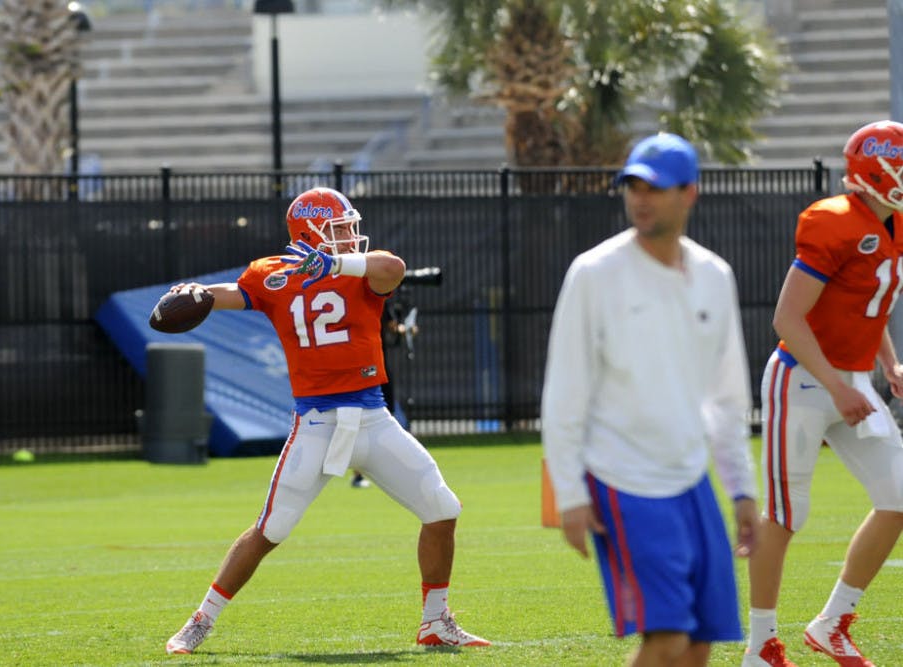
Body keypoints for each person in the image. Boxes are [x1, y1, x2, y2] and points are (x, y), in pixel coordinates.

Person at [163, 186, 490, 654]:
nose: (351, 237)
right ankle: (200, 620)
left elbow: (391, 268)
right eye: (340, 229)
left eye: (350, 228)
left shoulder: (357, 272)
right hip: (316, 423)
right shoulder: (271, 274)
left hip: (373, 417)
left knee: (443, 510)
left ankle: (435, 621)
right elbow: (234, 294)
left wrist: (336, 263)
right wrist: (196, 292)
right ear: (310, 232)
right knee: (270, 529)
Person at [541, 132, 759, 667]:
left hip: (691, 480)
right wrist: (568, 494)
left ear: (690, 194)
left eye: (655, 187)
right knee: (665, 642)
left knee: (702, 641)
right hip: (621, 480)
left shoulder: (714, 275)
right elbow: (564, 392)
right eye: (632, 185)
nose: (640, 197)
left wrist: (741, 489)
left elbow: (728, 396)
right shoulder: (594, 273)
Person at [742, 120, 903, 667]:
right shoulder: (833, 222)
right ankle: (760, 643)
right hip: (804, 381)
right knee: (786, 515)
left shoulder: (893, 224)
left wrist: (889, 362)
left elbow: (866, 303)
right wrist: (837, 384)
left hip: (851, 380)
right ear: (877, 171)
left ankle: (832, 623)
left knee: (899, 496)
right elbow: (788, 318)